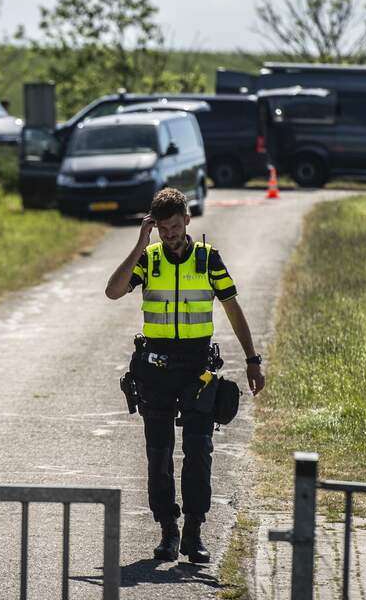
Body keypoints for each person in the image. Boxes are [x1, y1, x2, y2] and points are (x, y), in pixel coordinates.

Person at [105, 187, 265, 563]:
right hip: (155, 370)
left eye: (175, 227)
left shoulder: (209, 259)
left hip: (197, 370)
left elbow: (232, 308)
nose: (170, 234)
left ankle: (194, 530)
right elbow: (113, 291)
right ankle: (168, 531)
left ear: (188, 220)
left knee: (198, 452)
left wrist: (252, 359)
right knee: (158, 454)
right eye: (162, 228)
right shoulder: (149, 258)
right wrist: (140, 242)